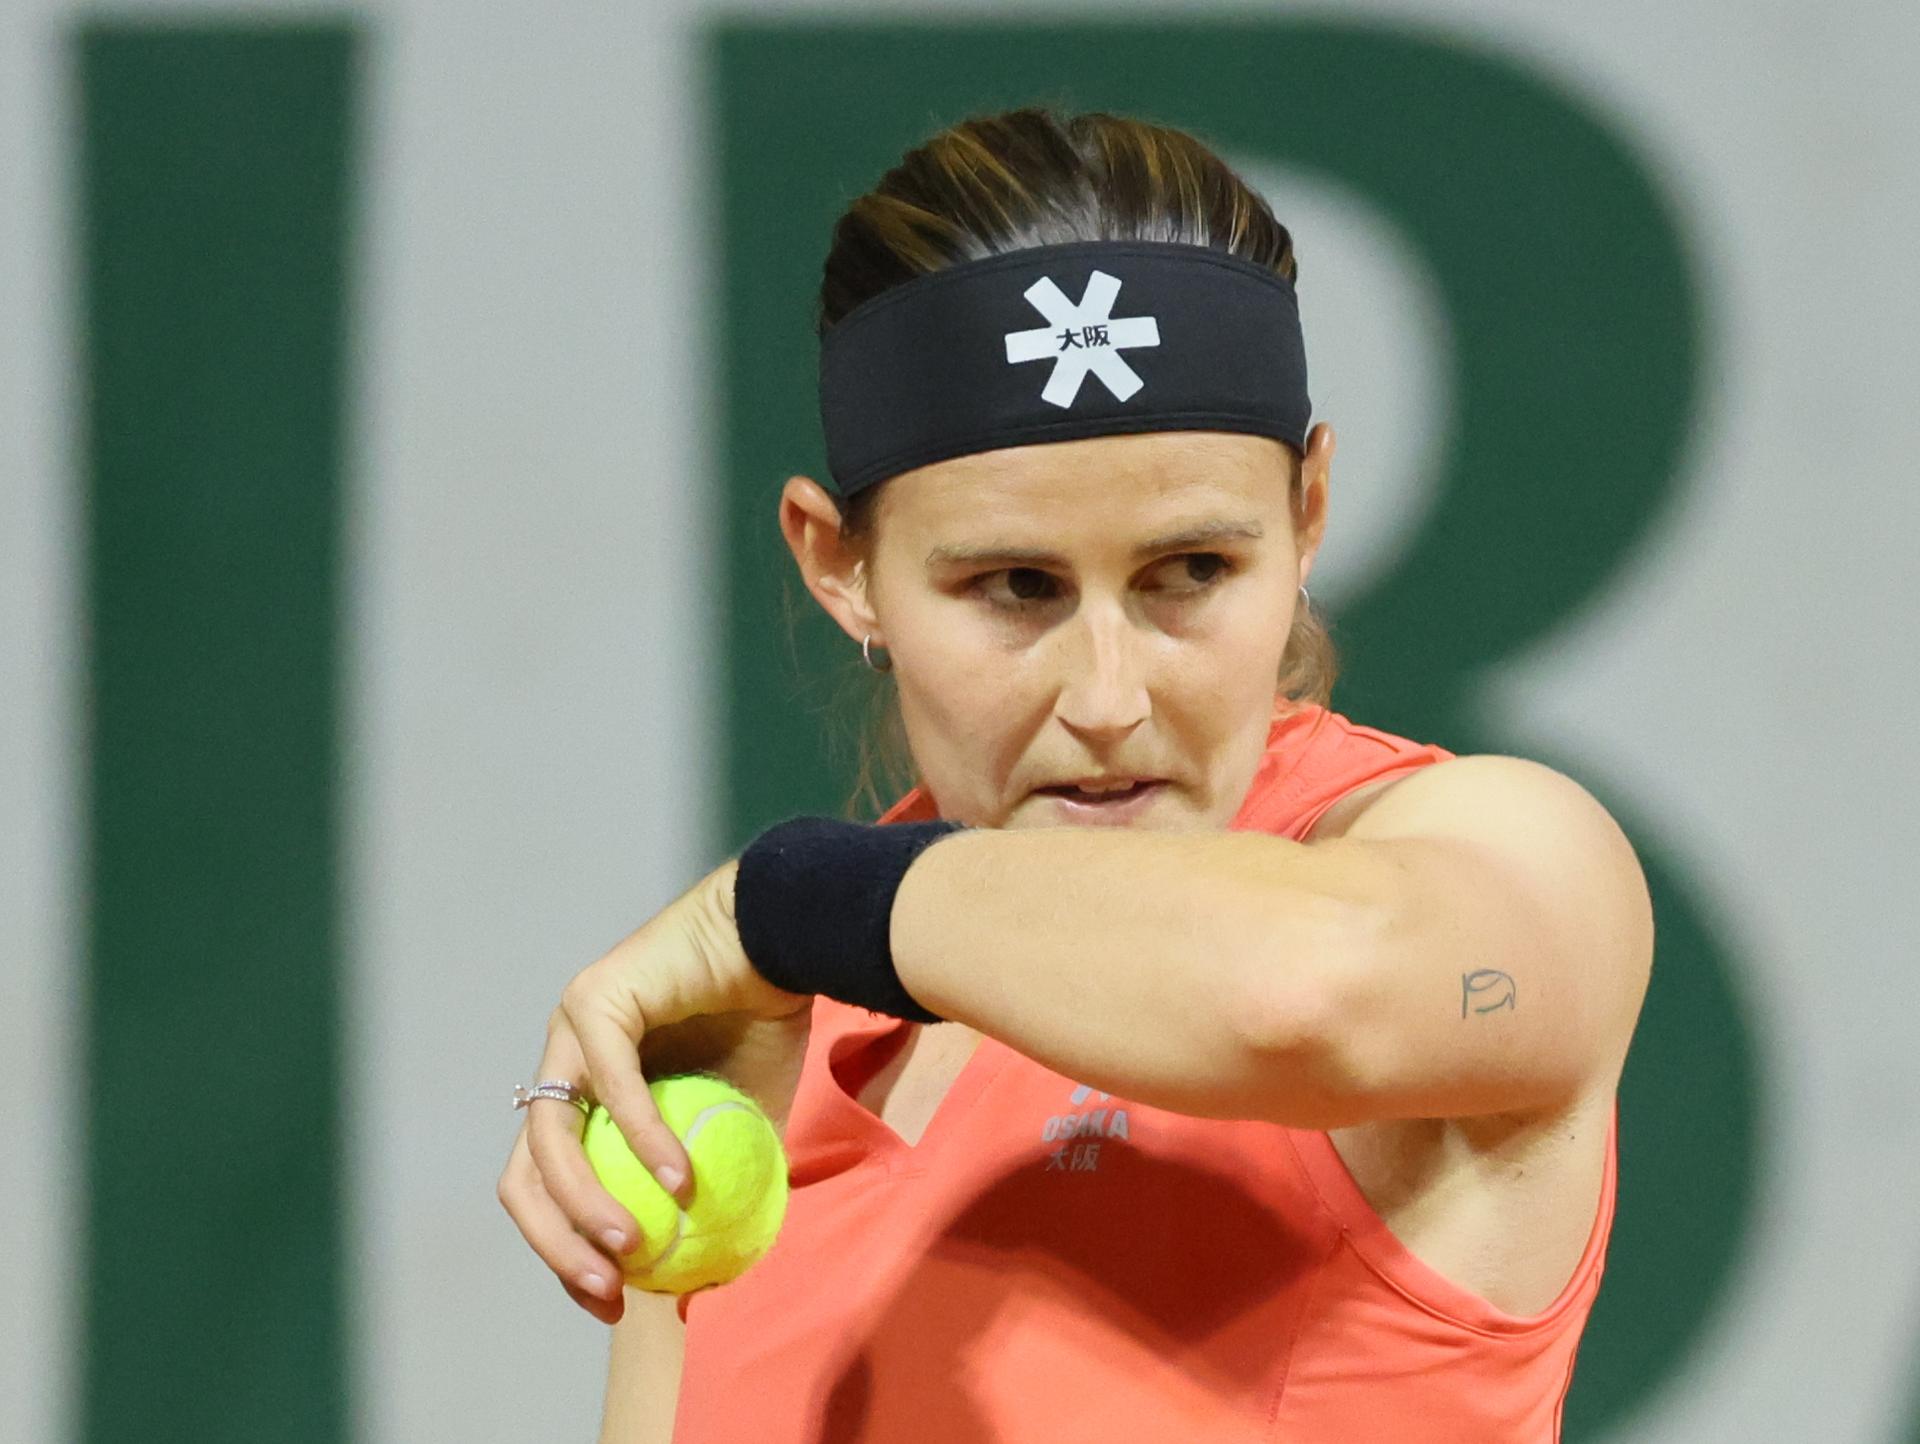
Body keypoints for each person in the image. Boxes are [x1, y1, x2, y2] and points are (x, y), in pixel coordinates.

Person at [496, 107, 1651, 1443]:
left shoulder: (1510, 863)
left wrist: (786, 901)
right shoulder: (757, 1055)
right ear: (838, 566)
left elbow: (1293, 995)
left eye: (1192, 574)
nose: (1109, 698)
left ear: (1309, 516)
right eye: (1013, 587)